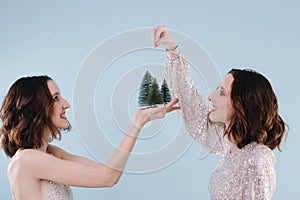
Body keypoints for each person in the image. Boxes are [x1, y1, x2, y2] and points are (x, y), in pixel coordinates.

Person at [152, 25, 286, 199]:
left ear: (241, 105)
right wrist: (172, 48)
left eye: (222, 92)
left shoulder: (257, 159)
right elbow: (193, 107)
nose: (210, 97)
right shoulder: (231, 143)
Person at [0, 75, 179, 200]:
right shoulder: (27, 160)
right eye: (56, 98)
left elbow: (108, 170)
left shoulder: (51, 153)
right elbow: (107, 178)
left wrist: (144, 117)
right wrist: (137, 123)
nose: (66, 104)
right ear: (36, 108)